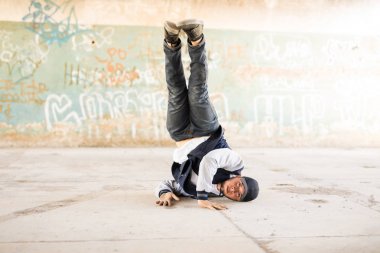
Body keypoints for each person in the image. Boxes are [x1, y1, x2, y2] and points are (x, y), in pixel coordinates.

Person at [155, 19, 259, 210]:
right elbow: (209, 161)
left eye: (238, 195)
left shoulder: (193, 190)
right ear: (240, 177)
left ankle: (171, 43)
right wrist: (202, 198)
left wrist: (165, 193)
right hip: (206, 129)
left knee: (175, 91)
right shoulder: (235, 164)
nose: (236, 190)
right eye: (240, 186)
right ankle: (196, 40)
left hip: (180, 134)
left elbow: (168, 184)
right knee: (197, 90)